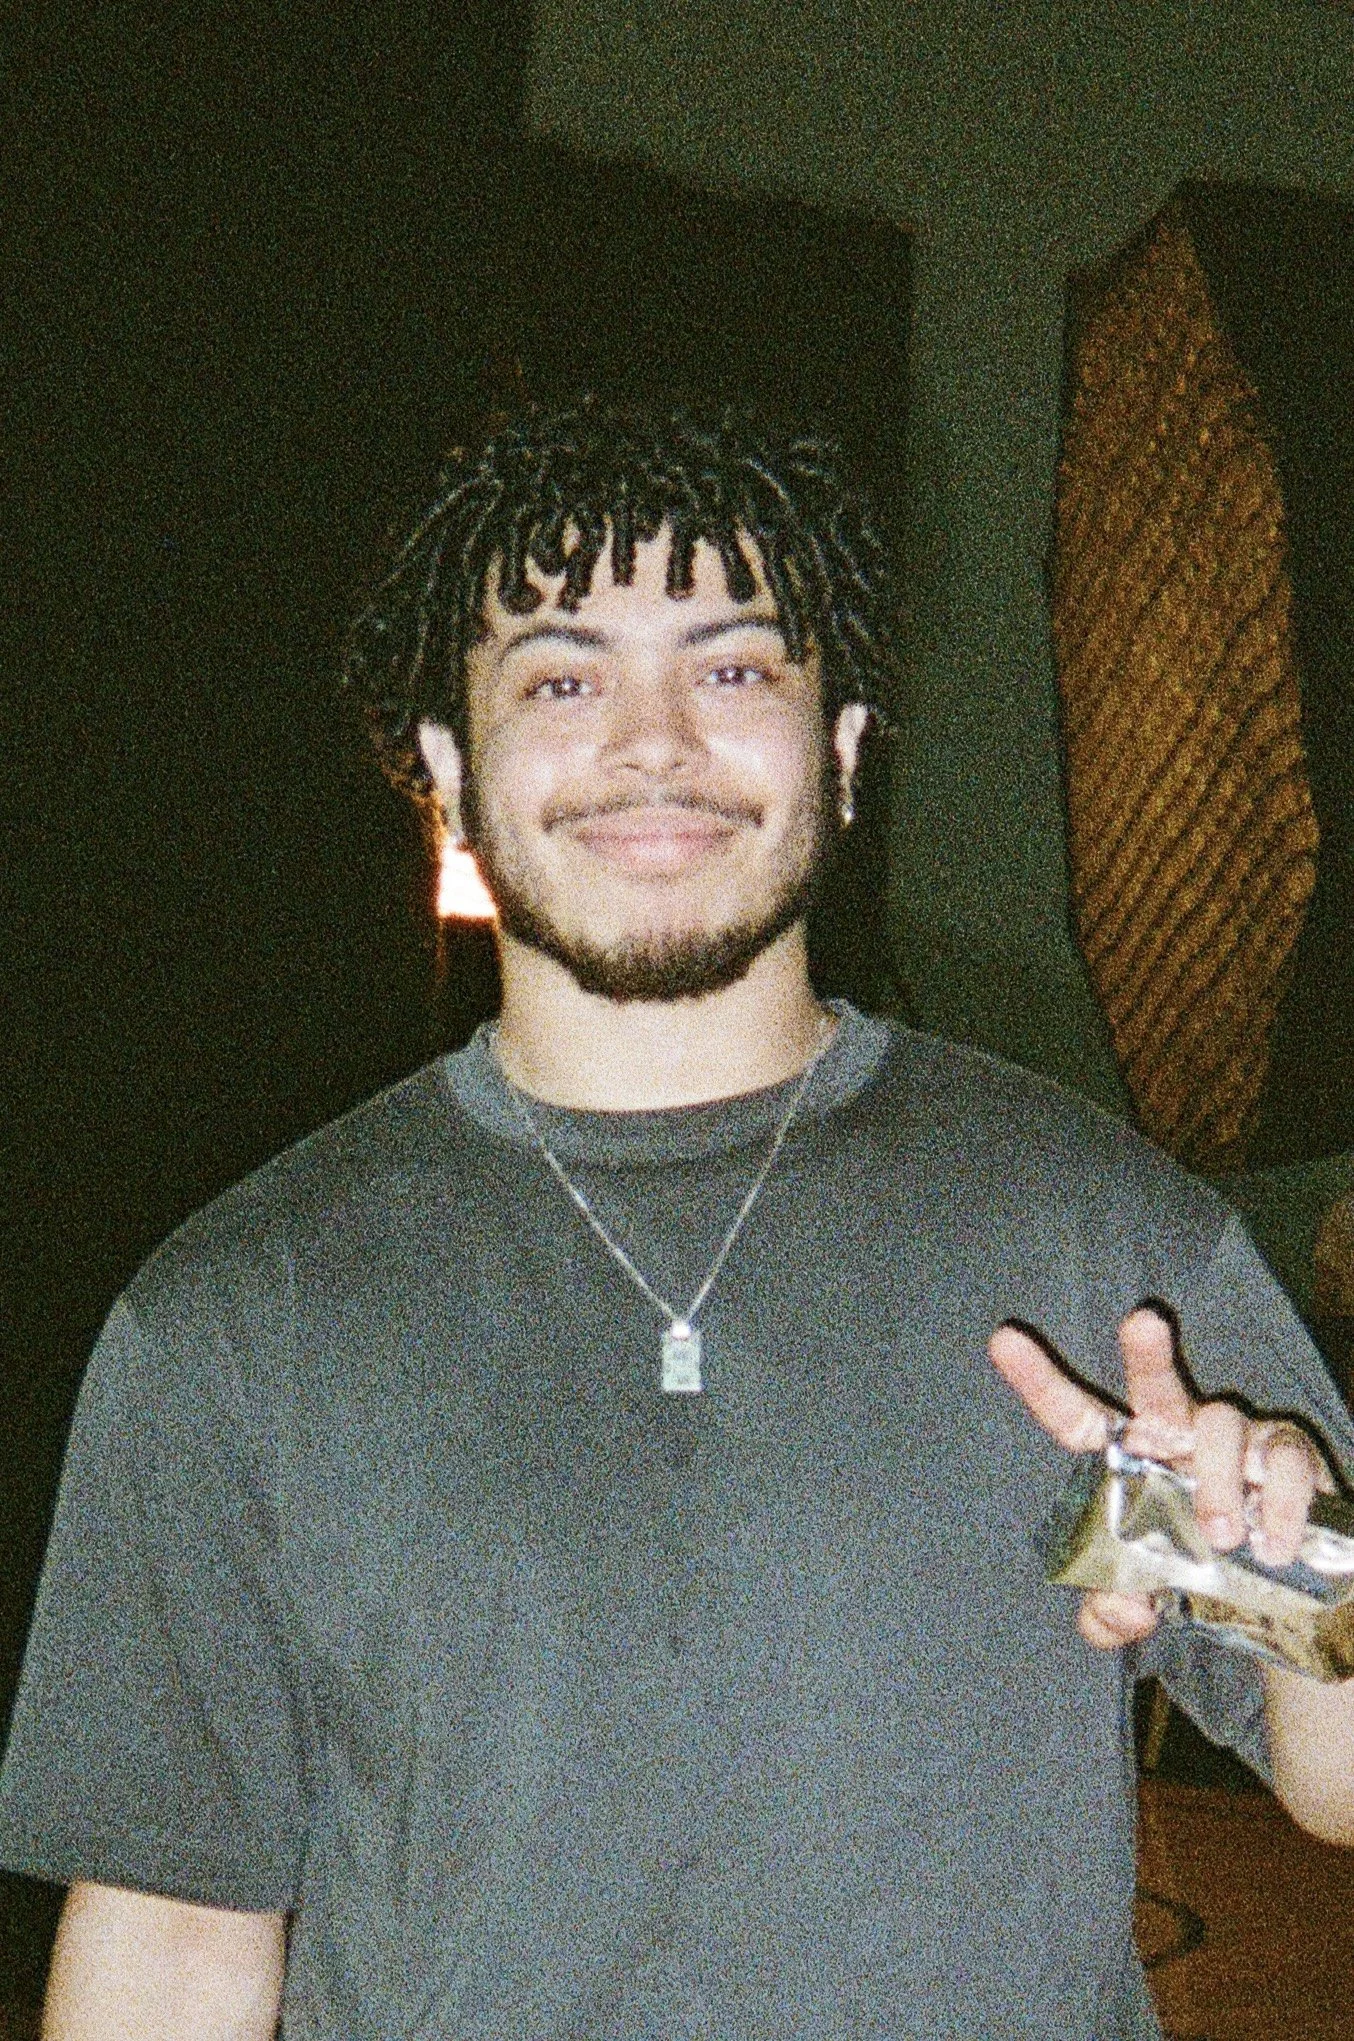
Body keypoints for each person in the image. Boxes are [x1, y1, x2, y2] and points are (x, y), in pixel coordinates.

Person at [3, 396, 1353, 2041]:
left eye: (731, 670)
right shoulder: (237, 1315)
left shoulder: (1091, 1236)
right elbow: (168, 1935)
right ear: (445, 768)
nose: (654, 743)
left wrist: (1297, 1573)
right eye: (563, 680)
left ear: (841, 745)